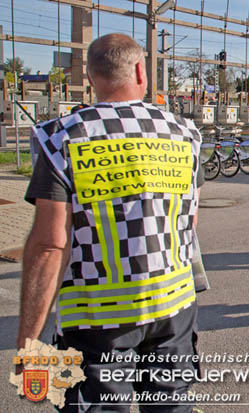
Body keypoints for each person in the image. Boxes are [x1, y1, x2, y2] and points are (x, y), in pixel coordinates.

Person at [18, 33, 204, 412]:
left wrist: (29, 345)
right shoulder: (185, 134)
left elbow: (51, 245)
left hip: (94, 321)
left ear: (91, 77)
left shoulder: (61, 139)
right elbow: (188, 221)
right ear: (140, 71)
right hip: (174, 308)